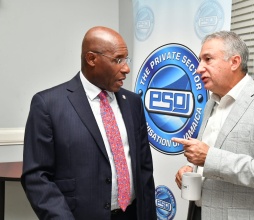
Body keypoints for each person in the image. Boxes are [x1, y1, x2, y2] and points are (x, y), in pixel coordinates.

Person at [21, 26, 156, 220]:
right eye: (118, 60)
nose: (126, 68)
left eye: (126, 59)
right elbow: (37, 178)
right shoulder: (49, 105)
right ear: (91, 59)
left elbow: (144, 170)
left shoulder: (133, 103)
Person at [173, 31, 254, 220]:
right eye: (199, 60)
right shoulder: (211, 101)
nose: (198, 68)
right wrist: (192, 169)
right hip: (200, 211)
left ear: (234, 62)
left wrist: (209, 158)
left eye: (208, 59)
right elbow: (212, 153)